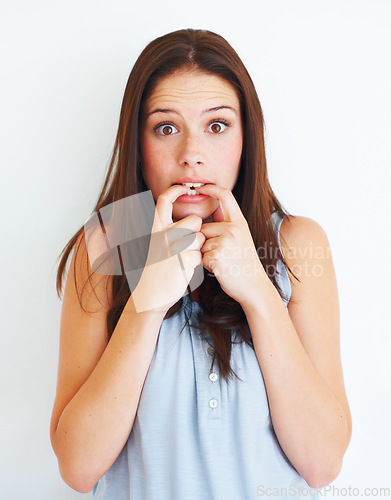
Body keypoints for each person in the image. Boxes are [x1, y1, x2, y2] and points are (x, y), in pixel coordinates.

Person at [50, 28, 352, 499]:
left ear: (246, 137)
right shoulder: (104, 246)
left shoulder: (295, 243)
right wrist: (146, 303)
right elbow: (78, 467)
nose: (191, 155)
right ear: (139, 142)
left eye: (216, 125)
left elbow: (323, 463)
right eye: (166, 128)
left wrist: (257, 290)